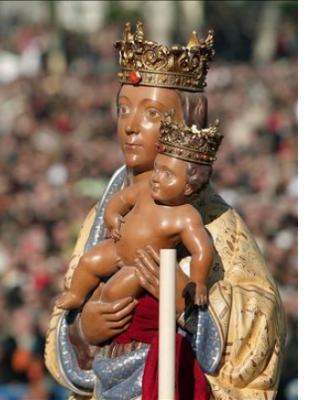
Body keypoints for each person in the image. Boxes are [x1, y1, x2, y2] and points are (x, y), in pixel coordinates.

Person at [44, 21, 286, 400]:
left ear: (186, 125)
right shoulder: (103, 214)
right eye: (123, 109)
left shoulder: (217, 224)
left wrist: (188, 305)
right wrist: (83, 330)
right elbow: (72, 298)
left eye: (152, 113)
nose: (131, 127)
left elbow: (259, 322)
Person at [55, 110, 222, 312]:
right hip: (115, 248)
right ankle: (76, 295)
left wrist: (198, 282)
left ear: (188, 187)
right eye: (157, 169)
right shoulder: (145, 190)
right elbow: (120, 199)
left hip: (139, 267)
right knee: (88, 261)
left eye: (167, 175)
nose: (157, 178)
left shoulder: (185, 217)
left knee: (112, 293)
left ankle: (110, 312)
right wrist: (112, 217)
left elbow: (201, 251)